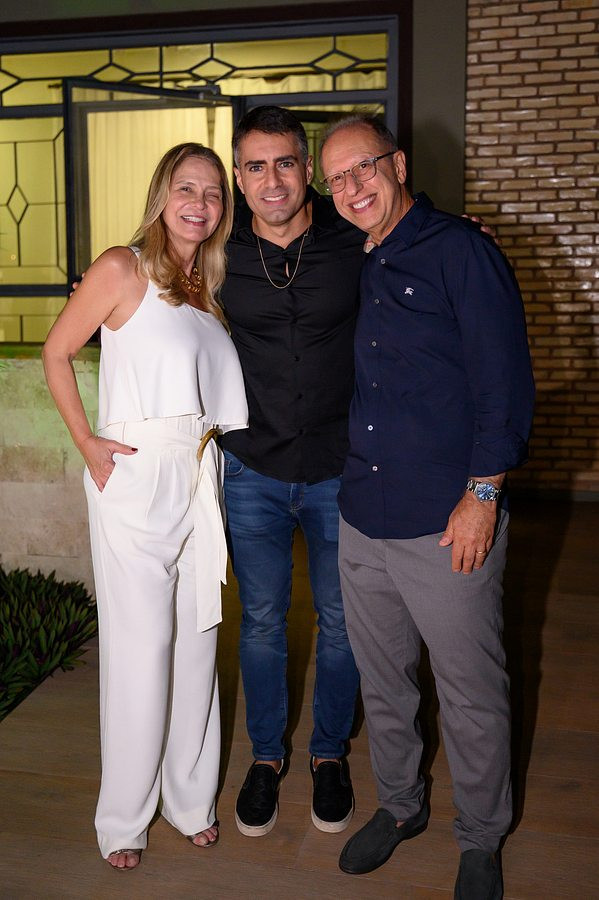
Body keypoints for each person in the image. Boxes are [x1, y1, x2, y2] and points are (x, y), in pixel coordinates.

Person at [320, 115, 534, 898]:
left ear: (399, 165)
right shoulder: (349, 254)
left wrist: (482, 495)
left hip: (445, 521)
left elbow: (503, 383)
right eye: (335, 179)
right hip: (361, 512)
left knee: (470, 692)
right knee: (383, 682)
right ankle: (401, 805)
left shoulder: (461, 251)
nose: (352, 187)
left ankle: (479, 837)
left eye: (364, 168)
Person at [42, 143, 248, 868]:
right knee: (141, 648)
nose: (200, 203)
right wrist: (86, 442)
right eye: (186, 188)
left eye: (213, 193)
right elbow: (57, 352)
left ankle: (189, 799)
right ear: (162, 194)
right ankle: (124, 820)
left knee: (197, 640)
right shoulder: (120, 267)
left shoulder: (204, 289)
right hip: (134, 470)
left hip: (199, 470)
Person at [220, 106, 364, 837]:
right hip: (253, 468)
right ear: (238, 175)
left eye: (284, 162)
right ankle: (267, 756)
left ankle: (330, 753)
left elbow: (420, 236)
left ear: (308, 169)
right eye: (255, 165)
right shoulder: (214, 249)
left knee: (342, 623)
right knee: (261, 622)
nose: (271, 180)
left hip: (343, 467)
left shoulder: (355, 236)